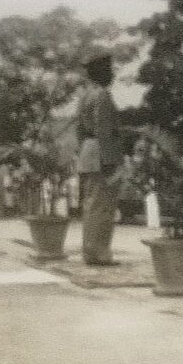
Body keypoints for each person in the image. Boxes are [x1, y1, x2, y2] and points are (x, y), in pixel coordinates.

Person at [76, 43, 127, 266]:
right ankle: (99, 253)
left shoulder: (85, 95)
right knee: (103, 207)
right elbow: (104, 131)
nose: (112, 74)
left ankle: (91, 251)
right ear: (103, 73)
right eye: (109, 70)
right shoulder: (103, 95)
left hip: (88, 152)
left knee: (91, 206)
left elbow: (80, 130)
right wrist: (108, 161)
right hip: (102, 154)